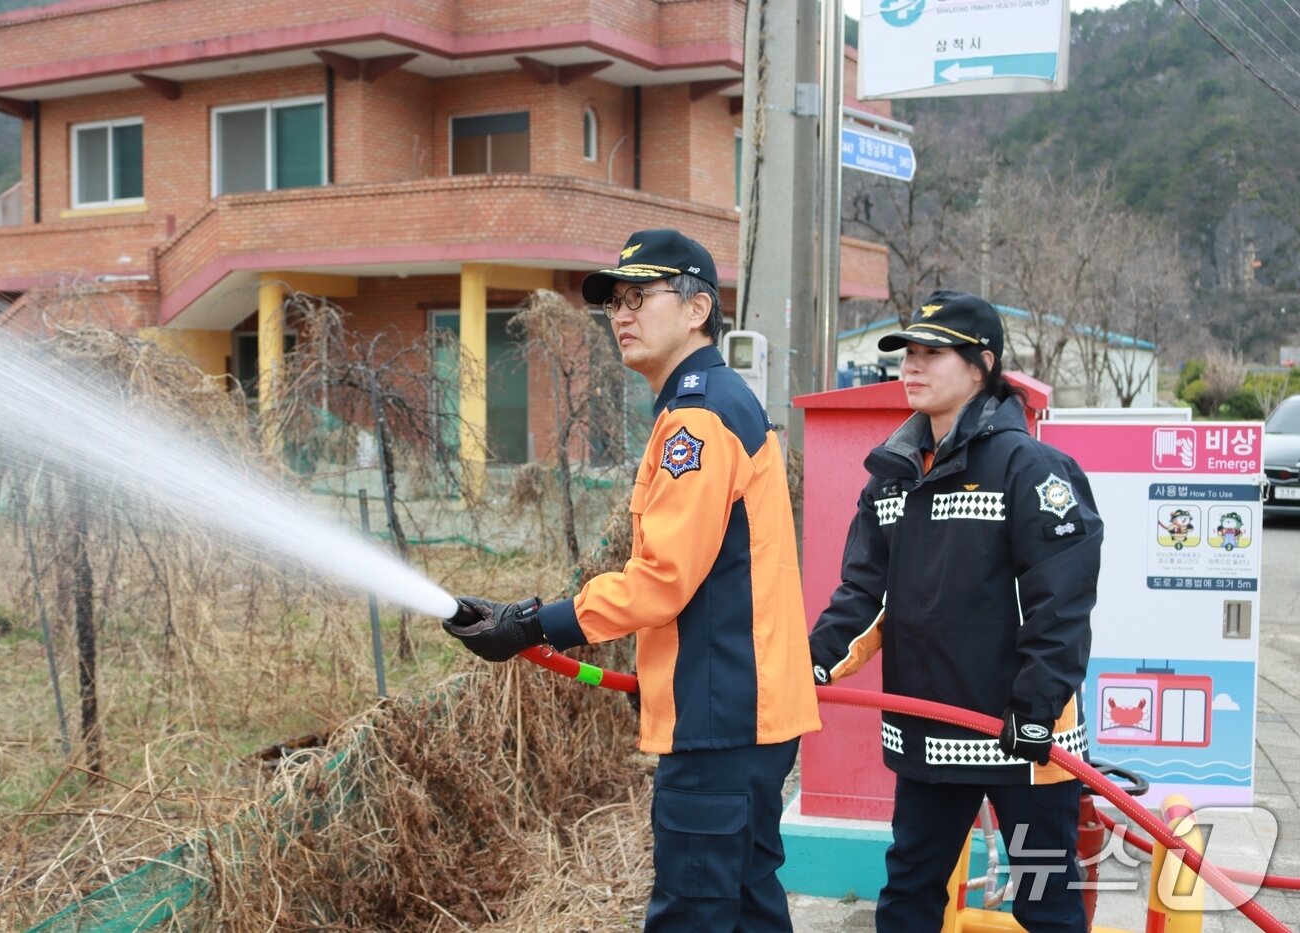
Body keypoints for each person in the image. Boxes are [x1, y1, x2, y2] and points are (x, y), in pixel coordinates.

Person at [442, 228, 822, 932]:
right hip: (741, 711)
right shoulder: (714, 405)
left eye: (639, 296)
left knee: (695, 913)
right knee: (743, 907)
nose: (620, 313)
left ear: (697, 308)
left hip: (721, 721)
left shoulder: (698, 421)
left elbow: (661, 581)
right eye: (615, 299)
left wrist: (531, 623)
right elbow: (717, 584)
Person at [807, 289, 1103, 933]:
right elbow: (863, 597)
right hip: (930, 734)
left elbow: (1061, 605)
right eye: (906, 353)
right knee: (910, 895)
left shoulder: (1033, 469)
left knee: (1044, 902)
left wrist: (1036, 710)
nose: (910, 367)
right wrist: (810, 665)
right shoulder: (892, 477)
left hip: (1026, 740)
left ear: (981, 365)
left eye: (931, 353)